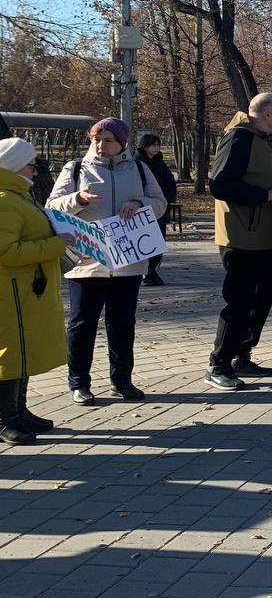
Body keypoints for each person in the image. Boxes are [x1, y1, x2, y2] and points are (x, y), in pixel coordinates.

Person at [48, 117, 167, 404]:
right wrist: (78, 199)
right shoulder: (76, 168)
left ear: (122, 143)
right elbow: (52, 206)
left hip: (128, 261)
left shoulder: (139, 169)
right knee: (82, 324)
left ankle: (122, 380)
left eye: (108, 140)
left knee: (122, 323)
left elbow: (160, 203)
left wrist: (139, 203)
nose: (101, 145)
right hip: (87, 262)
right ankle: (79, 383)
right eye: (96, 139)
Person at [205, 94, 272, 391]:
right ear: (265, 114)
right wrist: (266, 196)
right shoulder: (238, 138)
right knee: (239, 302)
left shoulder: (259, 138)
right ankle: (219, 363)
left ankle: (242, 355)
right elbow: (220, 184)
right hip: (239, 238)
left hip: (260, 235)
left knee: (260, 300)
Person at [0, 138, 71, 444]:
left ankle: (19, 411)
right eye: (31, 163)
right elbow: (6, 252)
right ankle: (5, 419)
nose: (36, 169)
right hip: (11, 295)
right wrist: (57, 244)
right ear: (15, 165)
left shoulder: (18, 195)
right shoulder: (5, 199)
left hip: (25, 292)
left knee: (24, 350)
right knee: (10, 354)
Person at [136, 133, 178, 286]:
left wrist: (168, 199)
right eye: (153, 145)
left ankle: (151, 271)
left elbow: (169, 182)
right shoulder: (137, 163)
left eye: (158, 145)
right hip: (143, 209)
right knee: (146, 242)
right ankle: (145, 272)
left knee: (159, 243)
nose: (156, 148)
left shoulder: (160, 163)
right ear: (144, 146)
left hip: (161, 208)